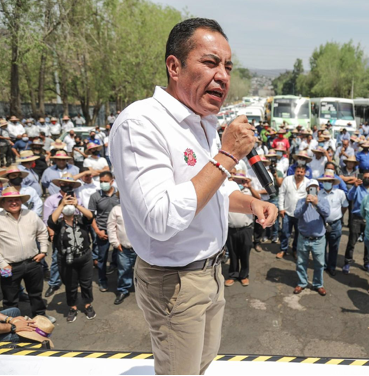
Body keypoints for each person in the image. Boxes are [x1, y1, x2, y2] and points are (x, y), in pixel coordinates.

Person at [109, 18, 277, 375]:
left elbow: (210, 188)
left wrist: (250, 202)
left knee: (200, 365)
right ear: (174, 66)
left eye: (228, 67)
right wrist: (228, 155)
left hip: (210, 273)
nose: (223, 76)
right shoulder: (140, 123)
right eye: (211, 63)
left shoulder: (203, 123)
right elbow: (161, 218)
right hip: (174, 282)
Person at [0, 187, 55, 323]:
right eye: (10, 200)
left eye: (16, 200)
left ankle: (40, 317)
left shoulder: (30, 215)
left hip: (33, 262)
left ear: (21, 201)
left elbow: (42, 232)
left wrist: (43, 251)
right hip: (8, 266)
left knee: (35, 293)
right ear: (3, 203)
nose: (14, 203)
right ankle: (13, 323)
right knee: (10, 298)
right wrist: (3, 264)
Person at [47, 192, 96, 322]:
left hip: (84, 257)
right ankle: (72, 307)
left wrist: (77, 205)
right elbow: (50, 222)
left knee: (86, 283)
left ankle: (87, 304)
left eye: (70, 205)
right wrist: (62, 204)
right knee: (70, 284)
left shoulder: (81, 220)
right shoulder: (58, 224)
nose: (68, 207)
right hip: (66, 260)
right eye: (65, 205)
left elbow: (90, 216)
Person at [43, 173, 83, 297]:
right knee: (56, 258)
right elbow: (47, 219)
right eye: (64, 183)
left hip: (75, 231)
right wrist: (51, 232)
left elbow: (82, 215)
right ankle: (54, 283)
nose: (67, 185)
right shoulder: (52, 199)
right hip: (58, 230)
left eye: (70, 184)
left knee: (77, 256)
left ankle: (77, 280)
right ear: (60, 184)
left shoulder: (78, 199)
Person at [293, 180, 330, 296]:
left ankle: (318, 284)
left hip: (318, 239)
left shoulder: (323, 201)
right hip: (303, 237)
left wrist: (316, 203)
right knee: (301, 262)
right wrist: (305, 203)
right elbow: (296, 214)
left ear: (318, 189)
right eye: (310, 188)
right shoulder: (301, 201)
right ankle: (302, 282)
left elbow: (327, 213)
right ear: (307, 190)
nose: (313, 189)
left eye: (315, 188)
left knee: (319, 263)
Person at [88, 171, 120, 292]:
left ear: (112, 181)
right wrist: (97, 231)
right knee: (102, 257)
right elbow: (91, 216)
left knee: (120, 256)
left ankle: (119, 279)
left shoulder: (119, 194)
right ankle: (102, 280)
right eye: (101, 182)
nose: (103, 184)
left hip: (118, 231)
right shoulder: (95, 196)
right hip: (103, 231)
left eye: (105, 182)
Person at [224, 172, 254, 287]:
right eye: (236, 180)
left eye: (241, 181)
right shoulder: (226, 192)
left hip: (245, 228)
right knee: (233, 253)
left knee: (245, 253)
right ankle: (233, 274)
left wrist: (249, 187)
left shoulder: (247, 192)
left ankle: (244, 275)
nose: (239, 183)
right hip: (231, 229)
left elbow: (258, 199)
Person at [107, 193, 136, 304]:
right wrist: (115, 243)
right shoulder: (116, 210)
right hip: (124, 248)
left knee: (143, 271)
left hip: (141, 250)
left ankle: (143, 291)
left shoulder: (140, 209)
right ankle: (123, 290)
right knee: (124, 270)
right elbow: (111, 227)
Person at [318, 171, 348, 276]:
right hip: (321, 223)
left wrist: (338, 215)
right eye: (325, 181)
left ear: (333, 182)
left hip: (335, 223)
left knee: (334, 247)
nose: (327, 182)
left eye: (329, 181)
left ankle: (332, 267)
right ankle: (323, 265)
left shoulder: (340, 193)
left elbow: (345, 206)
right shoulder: (318, 194)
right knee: (322, 246)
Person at [343, 170, 369, 274]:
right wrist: (354, 186)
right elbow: (349, 197)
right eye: (365, 177)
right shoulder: (358, 187)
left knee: (368, 243)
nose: (367, 179)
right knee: (352, 241)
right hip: (357, 218)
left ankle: (367, 263)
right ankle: (347, 262)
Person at [277, 165, 308, 259]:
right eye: (298, 171)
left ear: (304, 173)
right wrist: (281, 208)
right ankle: (283, 249)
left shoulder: (308, 182)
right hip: (287, 211)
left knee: (299, 234)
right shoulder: (287, 180)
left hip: (300, 214)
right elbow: (281, 193)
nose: (299, 173)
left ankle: (295, 250)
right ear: (295, 171)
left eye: (301, 172)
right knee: (285, 232)